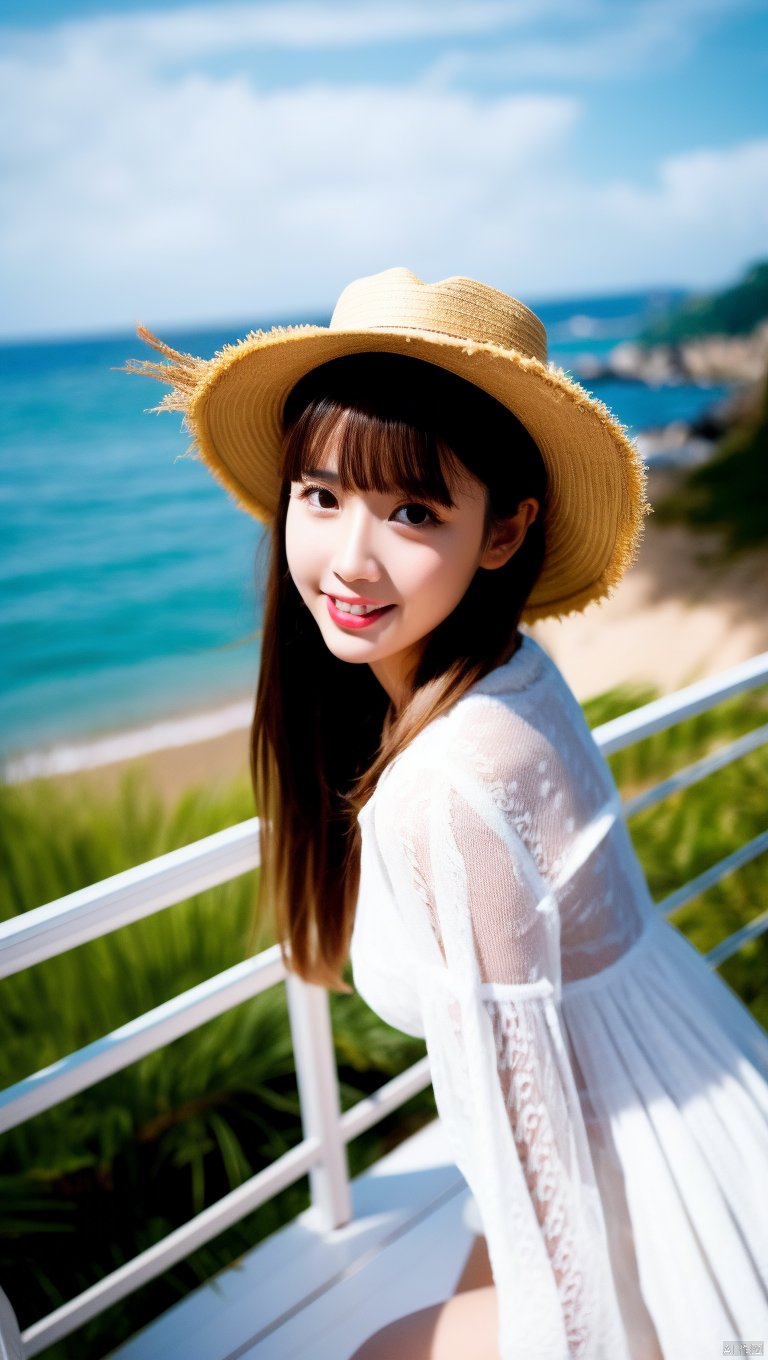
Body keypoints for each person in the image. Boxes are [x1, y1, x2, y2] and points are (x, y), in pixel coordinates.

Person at [129, 268, 768, 1359]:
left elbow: (540, 1161)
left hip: (641, 1187)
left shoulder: (443, 789)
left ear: (506, 532)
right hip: (687, 1094)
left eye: (413, 511)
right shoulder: (512, 669)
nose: (350, 559)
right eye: (322, 495)